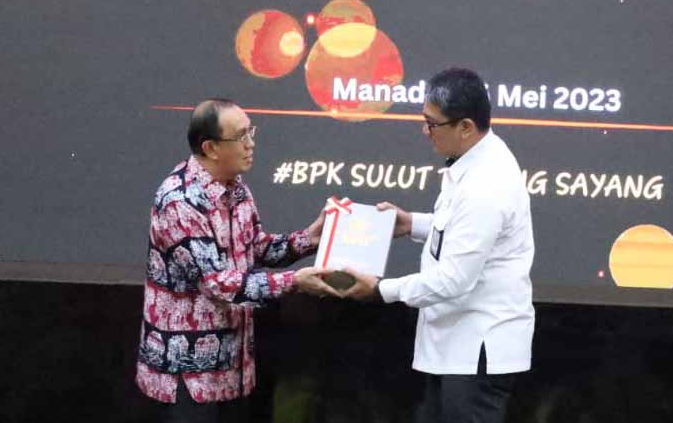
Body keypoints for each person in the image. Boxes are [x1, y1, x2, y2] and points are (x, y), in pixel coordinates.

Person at [342, 68, 535, 423]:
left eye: (432, 124)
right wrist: (412, 224)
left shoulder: (486, 184)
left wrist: (382, 290)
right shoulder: (475, 158)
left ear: (465, 127)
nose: (425, 131)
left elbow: (455, 278)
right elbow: (465, 231)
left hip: (477, 349)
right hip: (458, 345)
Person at [135, 99, 339, 422]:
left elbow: (255, 248)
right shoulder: (180, 201)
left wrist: (310, 239)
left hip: (233, 370)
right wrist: (295, 281)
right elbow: (218, 283)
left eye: (251, 132)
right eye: (241, 136)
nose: (251, 143)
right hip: (188, 376)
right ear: (211, 148)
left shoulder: (236, 189)